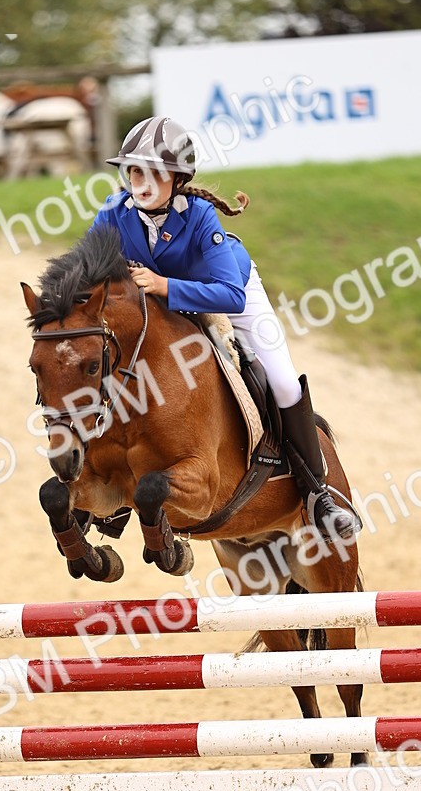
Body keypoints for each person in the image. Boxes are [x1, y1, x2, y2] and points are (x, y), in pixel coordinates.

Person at [88, 115, 361, 541]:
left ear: (177, 179)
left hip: (229, 293)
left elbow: (229, 296)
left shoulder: (199, 218)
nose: (139, 181)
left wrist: (162, 285)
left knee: (284, 382)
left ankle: (317, 495)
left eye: (151, 173)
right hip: (160, 308)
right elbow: (87, 272)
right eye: (133, 171)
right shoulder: (113, 214)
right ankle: (113, 488)